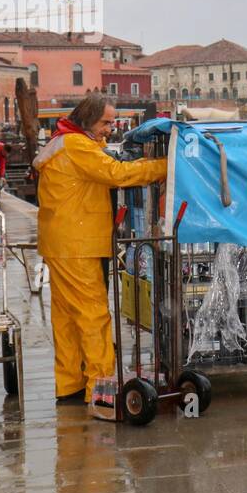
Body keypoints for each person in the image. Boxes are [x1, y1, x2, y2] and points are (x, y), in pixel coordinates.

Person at [34, 92, 166, 404]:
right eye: (105, 122)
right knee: (93, 314)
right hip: (77, 243)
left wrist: (101, 140)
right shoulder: (78, 146)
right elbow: (117, 174)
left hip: (60, 242)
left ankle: (69, 385)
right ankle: (102, 387)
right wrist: (164, 166)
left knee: (66, 316)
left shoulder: (63, 141)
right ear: (87, 120)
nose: (110, 127)